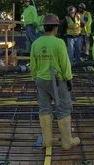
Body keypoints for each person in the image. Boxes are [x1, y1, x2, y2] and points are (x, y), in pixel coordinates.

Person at [29, 12, 81, 151]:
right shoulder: (59, 43)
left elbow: (33, 65)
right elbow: (65, 63)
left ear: (44, 27)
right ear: (55, 28)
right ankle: (66, 142)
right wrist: (69, 79)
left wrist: (35, 78)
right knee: (63, 109)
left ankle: (47, 140)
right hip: (57, 81)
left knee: (44, 108)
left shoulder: (36, 43)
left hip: (41, 80)